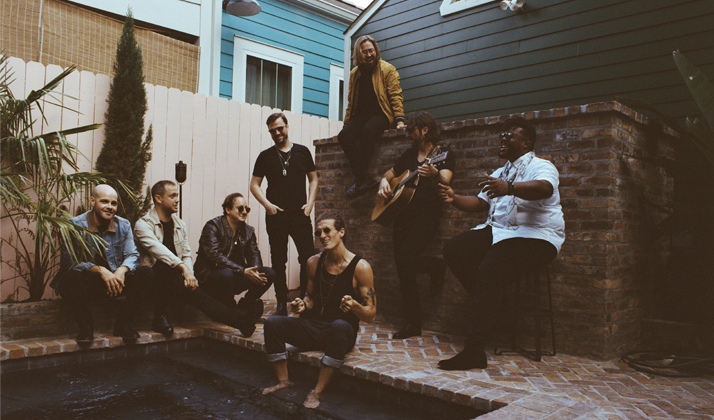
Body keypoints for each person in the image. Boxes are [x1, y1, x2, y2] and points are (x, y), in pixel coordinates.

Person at [437, 117, 565, 370]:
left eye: (509, 135)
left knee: (490, 269)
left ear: (526, 143)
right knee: (455, 249)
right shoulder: (500, 173)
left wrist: (510, 188)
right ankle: (495, 303)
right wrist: (454, 198)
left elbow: (544, 188)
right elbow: (480, 203)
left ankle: (474, 351)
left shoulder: (542, 166)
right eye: (502, 135)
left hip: (537, 236)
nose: (503, 139)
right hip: (501, 232)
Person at [261, 213, 377, 409]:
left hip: (340, 333)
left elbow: (371, 314)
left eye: (327, 230)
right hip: (314, 328)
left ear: (341, 232)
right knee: (272, 323)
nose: (322, 236)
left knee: (340, 326)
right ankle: (284, 381)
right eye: (318, 232)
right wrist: (303, 305)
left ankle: (317, 391)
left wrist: (355, 306)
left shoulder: (361, 267)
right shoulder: (313, 263)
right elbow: (310, 298)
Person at [134, 181, 259, 338]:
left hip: (175, 279)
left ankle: (242, 322)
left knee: (201, 298)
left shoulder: (179, 224)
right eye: (172, 196)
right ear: (158, 198)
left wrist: (190, 275)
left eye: (177, 195)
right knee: (165, 267)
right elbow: (159, 251)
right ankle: (160, 317)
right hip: (153, 280)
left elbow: (186, 254)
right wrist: (184, 268)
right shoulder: (143, 224)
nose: (177, 200)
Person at [376, 111, 455, 339]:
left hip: (426, 217)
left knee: (406, 259)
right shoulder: (409, 155)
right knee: (403, 270)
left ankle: (435, 266)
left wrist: (435, 174)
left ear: (424, 130)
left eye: (411, 130)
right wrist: (383, 182)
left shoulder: (443, 154)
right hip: (402, 216)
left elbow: (446, 182)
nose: (407, 135)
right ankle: (412, 323)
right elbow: (390, 173)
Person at [52, 184, 153, 343]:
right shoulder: (75, 225)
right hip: (88, 285)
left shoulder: (123, 225)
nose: (110, 207)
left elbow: (132, 254)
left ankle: (123, 324)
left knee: (146, 273)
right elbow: (69, 262)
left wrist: (122, 270)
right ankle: (86, 327)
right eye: (104, 201)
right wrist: (99, 270)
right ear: (93, 201)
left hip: (115, 283)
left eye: (113, 203)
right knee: (70, 278)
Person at [250, 112, 317, 316]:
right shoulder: (265, 156)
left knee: (307, 258)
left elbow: (313, 179)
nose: (277, 133)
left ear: (287, 127)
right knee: (279, 261)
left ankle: (305, 301)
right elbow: (254, 185)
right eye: (272, 131)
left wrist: (310, 203)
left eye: (280, 128)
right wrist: (267, 205)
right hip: (276, 216)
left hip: (300, 214)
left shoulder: (303, 152)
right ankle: (281, 304)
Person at [193, 192, 276, 333]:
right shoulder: (213, 226)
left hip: (235, 274)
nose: (244, 212)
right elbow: (215, 256)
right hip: (210, 276)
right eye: (240, 208)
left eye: (247, 209)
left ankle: (244, 307)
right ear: (228, 210)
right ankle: (233, 311)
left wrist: (256, 272)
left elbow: (254, 254)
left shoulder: (248, 231)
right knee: (227, 274)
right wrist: (242, 271)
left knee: (269, 273)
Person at [338, 34, 406, 198]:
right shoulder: (355, 74)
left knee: (368, 131)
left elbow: (395, 95)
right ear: (358, 53)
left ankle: (359, 179)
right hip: (361, 116)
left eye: (371, 50)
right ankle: (363, 178)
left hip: (381, 113)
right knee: (344, 136)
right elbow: (351, 101)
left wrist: (399, 120)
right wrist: (346, 124)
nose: (369, 55)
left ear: (376, 50)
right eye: (365, 52)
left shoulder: (387, 69)